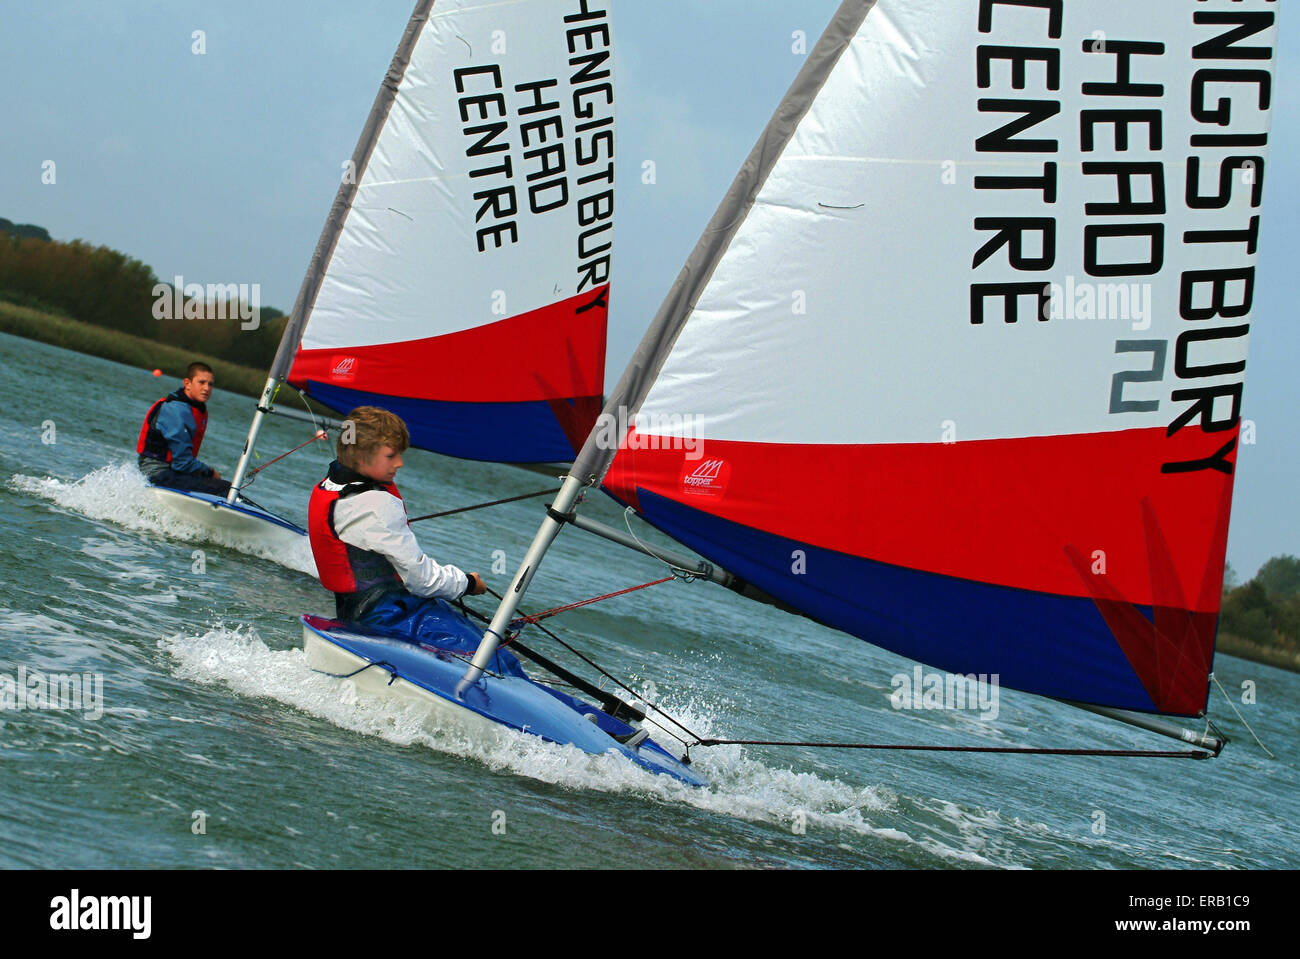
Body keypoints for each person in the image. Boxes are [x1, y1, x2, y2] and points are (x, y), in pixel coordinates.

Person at [308, 406, 487, 639]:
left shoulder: (331, 485)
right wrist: (467, 582)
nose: (400, 463)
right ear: (362, 456)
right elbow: (421, 579)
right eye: (391, 455)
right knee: (493, 656)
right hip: (391, 616)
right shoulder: (375, 504)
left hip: (352, 611)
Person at [137, 362, 232, 496]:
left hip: (173, 472)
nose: (206, 388)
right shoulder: (176, 410)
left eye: (210, 384)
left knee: (225, 488)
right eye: (202, 382)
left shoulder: (194, 408)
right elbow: (182, 462)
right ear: (187, 383)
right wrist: (210, 473)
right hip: (157, 473)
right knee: (226, 489)